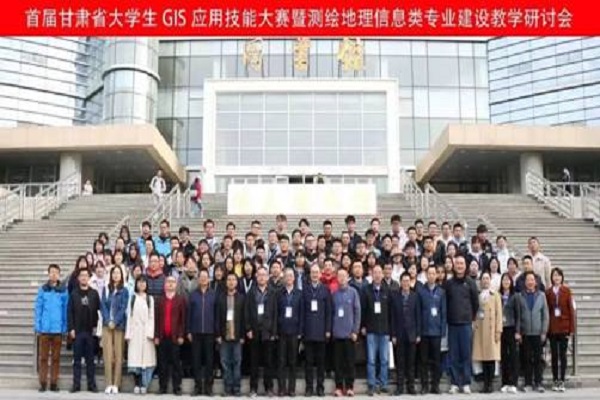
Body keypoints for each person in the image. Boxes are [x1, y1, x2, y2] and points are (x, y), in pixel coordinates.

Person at [444, 255, 479, 394]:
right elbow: (446, 302)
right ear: (454, 265)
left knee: (466, 354)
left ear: (465, 266)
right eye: (457, 263)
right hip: (452, 324)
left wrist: (471, 318)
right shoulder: (449, 283)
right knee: (453, 354)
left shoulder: (470, 283)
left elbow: (475, 303)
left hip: (466, 324)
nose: (459, 266)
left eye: (462, 263)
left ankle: (465, 382)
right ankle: (454, 382)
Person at [35, 264, 69, 393]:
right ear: (48, 274)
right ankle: (43, 383)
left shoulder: (63, 291)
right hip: (44, 329)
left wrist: (64, 327)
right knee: (43, 358)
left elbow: (65, 310)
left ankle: (54, 383)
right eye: (51, 272)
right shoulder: (43, 289)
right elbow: (38, 308)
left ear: (59, 275)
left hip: (57, 330)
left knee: (56, 358)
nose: (54, 274)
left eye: (56, 272)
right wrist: (38, 326)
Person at [245, 266, 278, 397]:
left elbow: (275, 313)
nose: (262, 277)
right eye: (260, 275)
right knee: (254, 361)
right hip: (254, 331)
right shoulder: (251, 293)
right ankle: (253, 388)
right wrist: (248, 328)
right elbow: (247, 312)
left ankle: (268, 388)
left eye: (264, 275)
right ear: (256, 277)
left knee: (268, 362)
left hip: (267, 332)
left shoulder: (272, 293)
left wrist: (274, 332)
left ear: (268, 277)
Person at [67, 268, 100, 393]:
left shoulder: (94, 293)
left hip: (90, 331)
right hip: (78, 331)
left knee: (90, 360)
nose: (84, 277)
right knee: (77, 360)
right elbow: (69, 312)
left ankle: (92, 385)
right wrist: (71, 328)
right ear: (78, 278)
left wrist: (97, 328)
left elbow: (98, 311)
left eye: (86, 275)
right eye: (82, 275)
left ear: (89, 278)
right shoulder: (74, 294)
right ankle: (76, 384)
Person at [517, 271, 549, 393]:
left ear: (535, 282)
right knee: (526, 359)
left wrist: (544, 331)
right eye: (528, 280)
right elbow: (518, 315)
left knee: (537, 359)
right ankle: (528, 383)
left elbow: (545, 315)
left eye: (532, 280)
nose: (530, 282)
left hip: (538, 333)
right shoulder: (520, 296)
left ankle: (538, 382)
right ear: (525, 282)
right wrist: (519, 331)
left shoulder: (541, 295)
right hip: (525, 333)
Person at [361, 265, 391, 395]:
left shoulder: (387, 290)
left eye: (380, 272)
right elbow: (363, 309)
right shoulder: (366, 290)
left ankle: (383, 383)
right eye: (375, 273)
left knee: (384, 359)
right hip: (371, 330)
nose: (378, 275)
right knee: (371, 360)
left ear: (383, 274)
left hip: (384, 330)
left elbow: (391, 312)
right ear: (372, 275)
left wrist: (391, 329)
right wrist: (363, 326)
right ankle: (372, 384)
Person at [302, 264, 332, 397]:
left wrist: (328, 329)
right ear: (310, 275)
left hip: (321, 331)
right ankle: (309, 388)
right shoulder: (305, 289)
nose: (314, 275)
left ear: (320, 274)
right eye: (312, 272)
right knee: (308, 362)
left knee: (321, 362)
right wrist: (302, 330)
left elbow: (329, 312)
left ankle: (320, 387)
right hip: (308, 331)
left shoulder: (325, 290)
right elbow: (302, 311)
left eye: (316, 272)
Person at [187, 269, 218, 396]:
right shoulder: (193, 294)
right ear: (198, 279)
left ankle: (209, 387)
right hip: (196, 332)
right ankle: (198, 386)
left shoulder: (213, 294)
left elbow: (217, 314)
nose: (204, 279)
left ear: (209, 279)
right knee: (196, 360)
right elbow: (189, 314)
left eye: (206, 276)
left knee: (210, 360)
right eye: (201, 277)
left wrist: (216, 332)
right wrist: (188, 330)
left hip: (210, 332)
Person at [417, 265, 447, 395]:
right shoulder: (420, 291)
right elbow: (418, 312)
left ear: (436, 275)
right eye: (429, 273)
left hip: (436, 331)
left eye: (434, 273)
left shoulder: (441, 292)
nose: (431, 276)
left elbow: (443, 312)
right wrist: (418, 331)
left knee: (436, 361)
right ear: (426, 275)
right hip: (424, 331)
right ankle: (424, 386)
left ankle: (435, 385)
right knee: (423, 360)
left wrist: (442, 330)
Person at [155, 276, 187, 395]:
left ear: (176, 285)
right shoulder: (160, 300)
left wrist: (181, 335)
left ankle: (176, 387)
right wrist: (156, 335)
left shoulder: (180, 299)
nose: (170, 284)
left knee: (176, 363)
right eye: (168, 282)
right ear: (165, 284)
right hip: (162, 337)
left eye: (173, 282)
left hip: (175, 337)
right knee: (162, 363)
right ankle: (162, 387)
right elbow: (156, 319)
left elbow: (183, 319)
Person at [390, 272, 421, 396]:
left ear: (410, 282)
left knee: (411, 363)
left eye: (408, 281)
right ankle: (400, 387)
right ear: (400, 282)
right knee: (400, 363)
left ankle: (411, 387)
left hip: (412, 334)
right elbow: (392, 317)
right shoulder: (395, 297)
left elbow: (418, 316)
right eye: (404, 281)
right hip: (399, 334)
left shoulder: (415, 296)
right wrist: (393, 334)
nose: (406, 283)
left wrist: (418, 333)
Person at [331, 268, 361, 397]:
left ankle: (349, 387)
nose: (342, 278)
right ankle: (338, 387)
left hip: (350, 335)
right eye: (339, 276)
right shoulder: (334, 294)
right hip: (337, 334)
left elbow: (357, 312)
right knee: (338, 363)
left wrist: (355, 330)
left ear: (348, 277)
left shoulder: (353, 292)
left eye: (344, 276)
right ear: (337, 278)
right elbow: (332, 313)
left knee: (350, 362)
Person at [100, 266, 129, 394]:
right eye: (114, 273)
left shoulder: (124, 291)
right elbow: (102, 306)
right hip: (107, 325)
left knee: (118, 355)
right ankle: (108, 383)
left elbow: (123, 308)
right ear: (111, 275)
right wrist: (108, 320)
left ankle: (116, 384)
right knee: (107, 355)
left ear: (121, 276)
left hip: (119, 325)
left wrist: (115, 321)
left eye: (118, 273)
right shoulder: (106, 289)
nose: (116, 275)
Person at [472, 272, 503, 393]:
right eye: (483, 278)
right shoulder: (478, 295)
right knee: (483, 358)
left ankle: (490, 384)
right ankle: (485, 384)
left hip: (491, 330)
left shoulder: (495, 295)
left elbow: (499, 314)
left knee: (491, 358)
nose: (485, 280)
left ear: (490, 280)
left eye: (487, 278)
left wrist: (498, 330)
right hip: (480, 330)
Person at [545, 267, 575, 392]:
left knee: (563, 355)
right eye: (554, 275)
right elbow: (546, 311)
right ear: (551, 278)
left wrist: (571, 329)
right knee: (554, 355)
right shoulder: (548, 292)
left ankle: (562, 380)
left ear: (562, 277)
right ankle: (555, 379)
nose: (556, 277)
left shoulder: (567, 291)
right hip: (552, 327)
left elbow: (571, 310)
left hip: (564, 327)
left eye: (558, 275)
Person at [217, 272, 246, 397]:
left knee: (237, 363)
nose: (231, 282)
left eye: (233, 279)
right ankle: (227, 388)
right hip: (224, 336)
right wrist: (218, 335)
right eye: (229, 279)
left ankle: (236, 388)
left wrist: (243, 335)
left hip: (237, 336)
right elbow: (217, 317)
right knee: (225, 363)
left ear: (237, 282)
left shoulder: (241, 298)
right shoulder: (221, 298)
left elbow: (244, 318)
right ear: (226, 282)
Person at [126, 276, 156, 395]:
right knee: (135, 359)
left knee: (146, 360)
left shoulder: (150, 299)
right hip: (135, 332)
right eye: (139, 282)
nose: (142, 284)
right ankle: (137, 383)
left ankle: (144, 384)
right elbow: (129, 316)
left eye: (144, 282)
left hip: (146, 333)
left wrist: (150, 332)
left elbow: (152, 317)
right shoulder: (132, 298)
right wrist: (128, 334)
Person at [277, 268, 304, 397]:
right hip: (282, 332)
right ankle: (282, 388)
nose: (288, 278)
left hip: (294, 332)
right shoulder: (279, 293)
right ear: (284, 278)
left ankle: (292, 389)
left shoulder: (299, 294)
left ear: (294, 278)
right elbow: (276, 312)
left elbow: (302, 313)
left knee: (293, 361)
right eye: (286, 276)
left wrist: (300, 331)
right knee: (281, 361)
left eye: (291, 276)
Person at [499, 273, 520, 394]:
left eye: (508, 280)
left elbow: (518, 314)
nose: (506, 282)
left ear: (511, 282)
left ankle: (513, 382)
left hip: (511, 328)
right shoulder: (498, 296)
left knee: (513, 356)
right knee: (504, 356)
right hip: (501, 329)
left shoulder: (515, 296)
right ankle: (505, 382)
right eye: (504, 280)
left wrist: (518, 331)